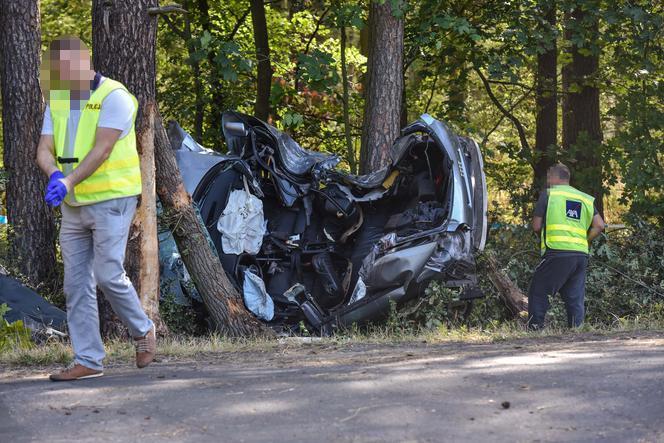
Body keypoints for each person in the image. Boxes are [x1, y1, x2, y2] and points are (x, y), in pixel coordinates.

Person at [36, 36, 156, 381]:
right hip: (73, 204)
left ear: (81, 63)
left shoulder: (114, 97)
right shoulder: (58, 98)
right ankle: (88, 359)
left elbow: (102, 149)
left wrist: (68, 181)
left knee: (107, 273)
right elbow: (44, 148)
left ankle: (143, 329)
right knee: (75, 284)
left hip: (111, 199)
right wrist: (54, 172)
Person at [528, 163, 605, 329]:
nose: (548, 180)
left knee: (539, 292)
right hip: (580, 255)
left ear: (555, 177)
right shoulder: (585, 198)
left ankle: (534, 329)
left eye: (549, 176)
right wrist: (585, 239)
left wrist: (544, 237)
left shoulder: (549, 195)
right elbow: (599, 225)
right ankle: (577, 330)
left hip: (556, 252)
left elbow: (536, 226)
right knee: (574, 297)